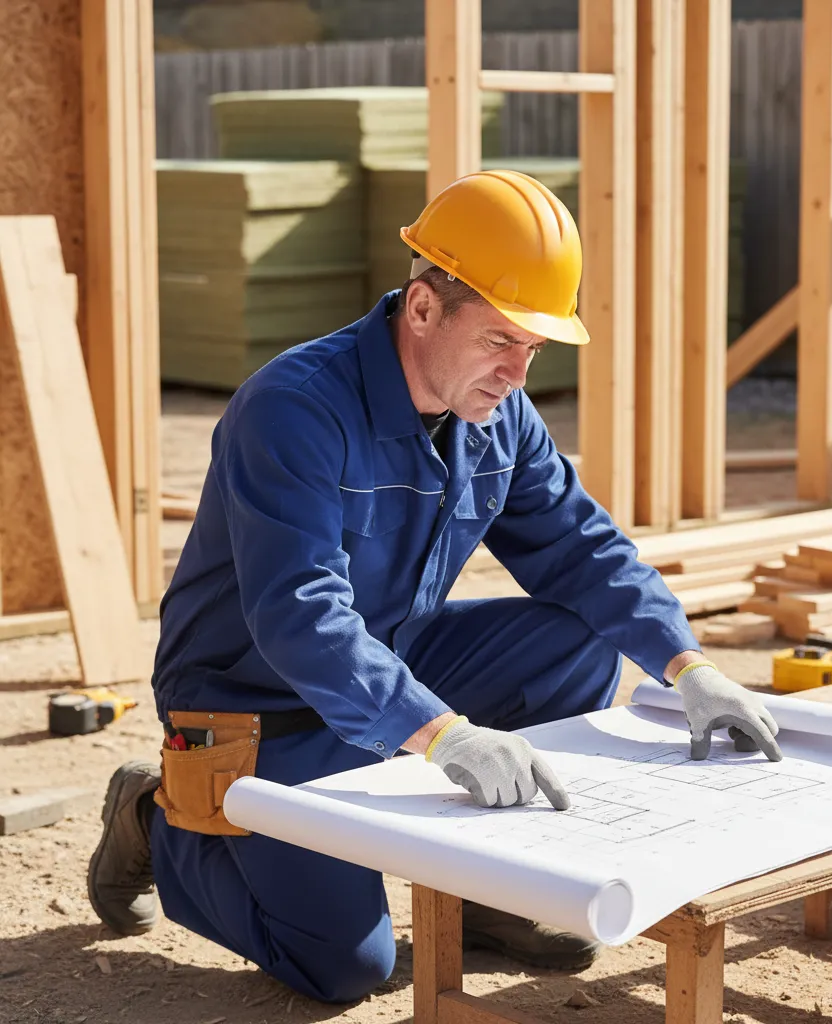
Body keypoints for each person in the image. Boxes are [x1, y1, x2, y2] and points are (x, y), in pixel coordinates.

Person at [87, 170, 781, 1004]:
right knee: (346, 969)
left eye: (534, 347)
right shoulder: (293, 409)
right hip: (252, 707)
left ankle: (483, 898)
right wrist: (446, 736)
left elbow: (582, 550)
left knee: (579, 639)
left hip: (385, 660)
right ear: (422, 310)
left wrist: (689, 668)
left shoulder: (496, 412)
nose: (519, 373)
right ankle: (160, 820)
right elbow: (300, 615)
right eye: (500, 341)